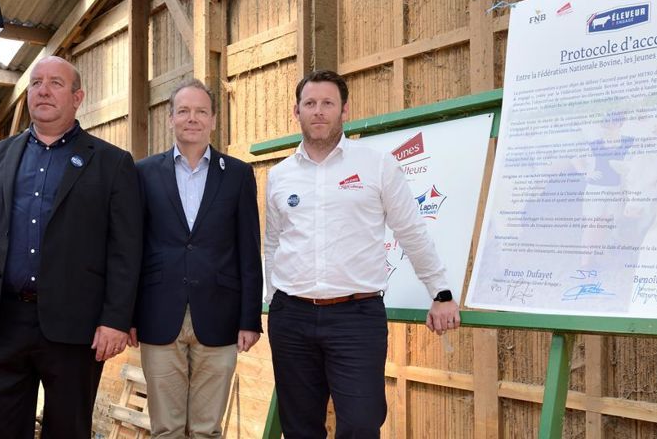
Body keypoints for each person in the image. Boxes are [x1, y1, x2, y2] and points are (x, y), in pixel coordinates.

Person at [0, 56, 142, 438]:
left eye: (55, 83)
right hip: (1, 322)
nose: (43, 90)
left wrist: (115, 318)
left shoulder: (112, 164)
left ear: (78, 97)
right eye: (35, 83)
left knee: (68, 430)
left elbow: (126, 250)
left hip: (74, 327)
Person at [264, 70, 461, 438]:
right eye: (310, 104)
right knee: (300, 429)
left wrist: (441, 292)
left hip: (355, 317)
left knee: (361, 423)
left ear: (344, 110)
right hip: (291, 318)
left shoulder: (377, 164)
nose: (318, 111)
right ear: (296, 111)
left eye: (327, 103)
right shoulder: (280, 175)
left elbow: (411, 230)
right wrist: (271, 299)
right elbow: (274, 242)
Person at [130, 79, 263, 438]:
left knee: (206, 429)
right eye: (184, 111)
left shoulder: (237, 175)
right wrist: (126, 315)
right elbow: (131, 250)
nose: (193, 118)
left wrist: (250, 318)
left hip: (220, 315)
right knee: (166, 428)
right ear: (170, 118)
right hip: (158, 314)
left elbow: (249, 250)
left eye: (201, 111)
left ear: (214, 120)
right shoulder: (143, 173)